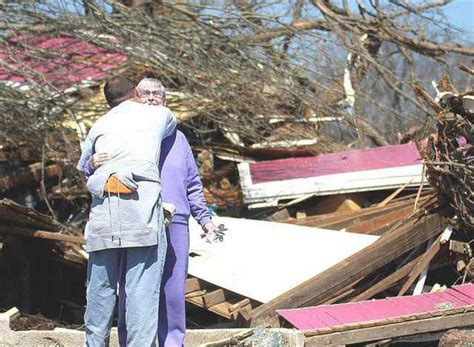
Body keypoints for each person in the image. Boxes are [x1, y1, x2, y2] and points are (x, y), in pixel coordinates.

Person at [90, 78, 223, 347]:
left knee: (172, 290)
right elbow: (95, 171)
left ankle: (172, 342)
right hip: (138, 216)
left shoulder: (179, 139)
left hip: (176, 221)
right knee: (134, 290)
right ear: (136, 98)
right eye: (145, 93)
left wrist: (205, 220)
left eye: (157, 94)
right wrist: (91, 163)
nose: (151, 98)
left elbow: (193, 183)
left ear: (165, 101)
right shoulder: (122, 132)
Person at [77, 76, 176, 346]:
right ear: (135, 92)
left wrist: (92, 163)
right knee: (141, 288)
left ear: (107, 101)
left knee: (99, 288)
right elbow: (168, 130)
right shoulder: (159, 115)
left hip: (103, 209)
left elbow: (84, 165)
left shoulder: (98, 124)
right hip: (140, 209)